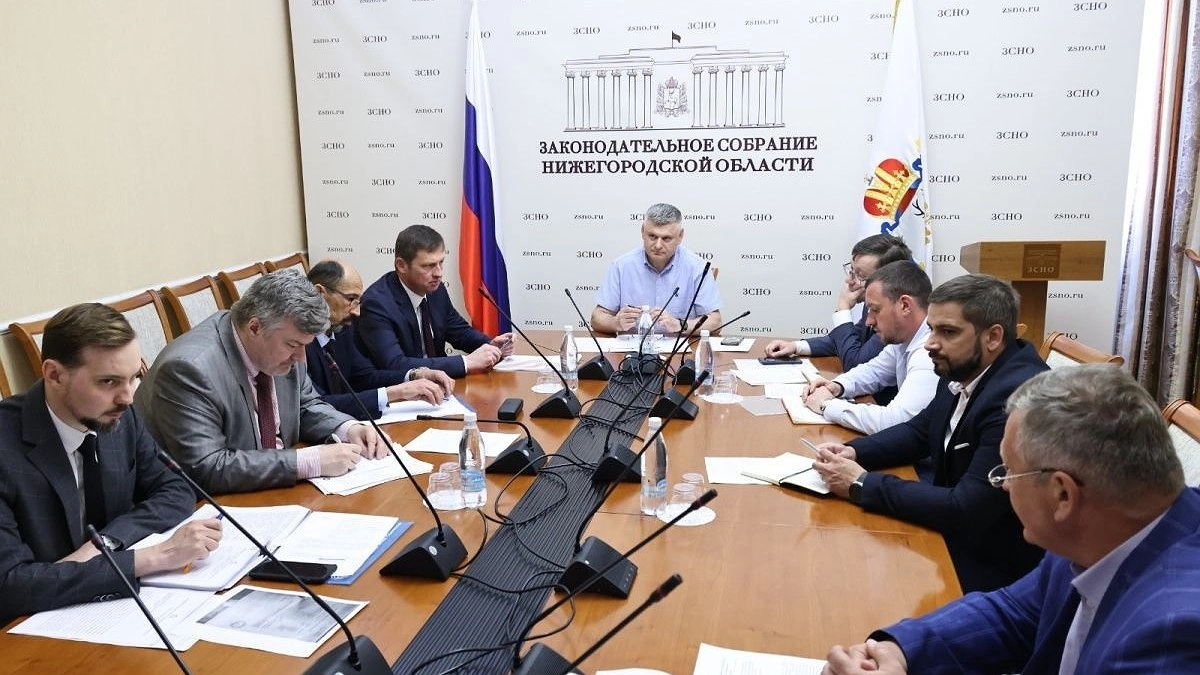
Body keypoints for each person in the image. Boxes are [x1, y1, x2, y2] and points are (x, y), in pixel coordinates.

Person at [823, 365, 1200, 675]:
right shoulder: (1103, 532)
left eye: (1007, 472)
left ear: (1063, 495)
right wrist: (898, 651)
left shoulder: (1171, 634)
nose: (1001, 485)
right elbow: (1015, 614)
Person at [813, 274, 1048, 592]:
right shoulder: (964, 367)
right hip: (952, 537)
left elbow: (964, 508)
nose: (930, 343)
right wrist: (855, 451)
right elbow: (920, 431)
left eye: (947, 332)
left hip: (993, 570)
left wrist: (860, 483)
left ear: (993, 337)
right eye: (932, 329)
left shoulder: (1015, 400)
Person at [0, 304, 222, 623]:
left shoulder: (117, 417)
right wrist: (152, 558)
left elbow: (176, 489)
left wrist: (105, 543)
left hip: (106, 612)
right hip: (26, 628)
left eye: (133, 378)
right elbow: (10, 587)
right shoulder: (7, 447)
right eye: (108, 382)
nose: (127, 398)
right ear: (54, 375)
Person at [136, 269, 385, 494]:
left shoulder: (281, 344)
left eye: (305, 346)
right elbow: (207, 467)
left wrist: (348, 428)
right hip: (208, 506)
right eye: (293, 345)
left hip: (275, 490)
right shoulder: (189, 369)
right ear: (254, 327)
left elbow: (306, 404)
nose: (300, 358)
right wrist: (307, 462)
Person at [765, 234, 911, 404]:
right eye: (851, 271)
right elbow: (845, 340)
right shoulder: (873, 306)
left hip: (881, 405)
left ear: (889, 280)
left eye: (860, 275)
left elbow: (854, 364)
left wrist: (843, 308)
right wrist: (795, 346)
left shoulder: (896, 318)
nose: (849, 280)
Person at [357, 224, 514, 378]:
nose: (438, 273)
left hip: (441, 384)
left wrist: (489, 344)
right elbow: (395, 364)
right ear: (401, 265)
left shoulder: (435, 290)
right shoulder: (376, 304)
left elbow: (458, 331)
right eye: (429, 266)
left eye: (441, 262)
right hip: (403, 390)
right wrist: (466, 362)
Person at [306, 259, 454, 420]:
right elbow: (316, 406)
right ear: (320, 293)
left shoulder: (341, 329)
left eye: (358, 301)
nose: (357, 311)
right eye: (350, 299)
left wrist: (414, 375)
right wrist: (395, 393)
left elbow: (364, 377)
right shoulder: (298, 343)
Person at [803, 261, 937, 434]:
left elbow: (895, 422)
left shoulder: (930, 352)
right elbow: (874, 371)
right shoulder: (905, 337)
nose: (869, 321)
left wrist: (826, 406)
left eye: (875, 310)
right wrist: (837, 386)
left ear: (905, 305)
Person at [590, 203, 722, 335]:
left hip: (680, 346)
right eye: (652, 236)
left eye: (666, 238)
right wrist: (615, 322)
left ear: (680, 236)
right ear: (642, 231)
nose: (658, 245)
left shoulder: (697, 268)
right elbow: (597, 318)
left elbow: (715, 321)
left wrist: (681, 324)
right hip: (633, 347)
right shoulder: (621, 266)